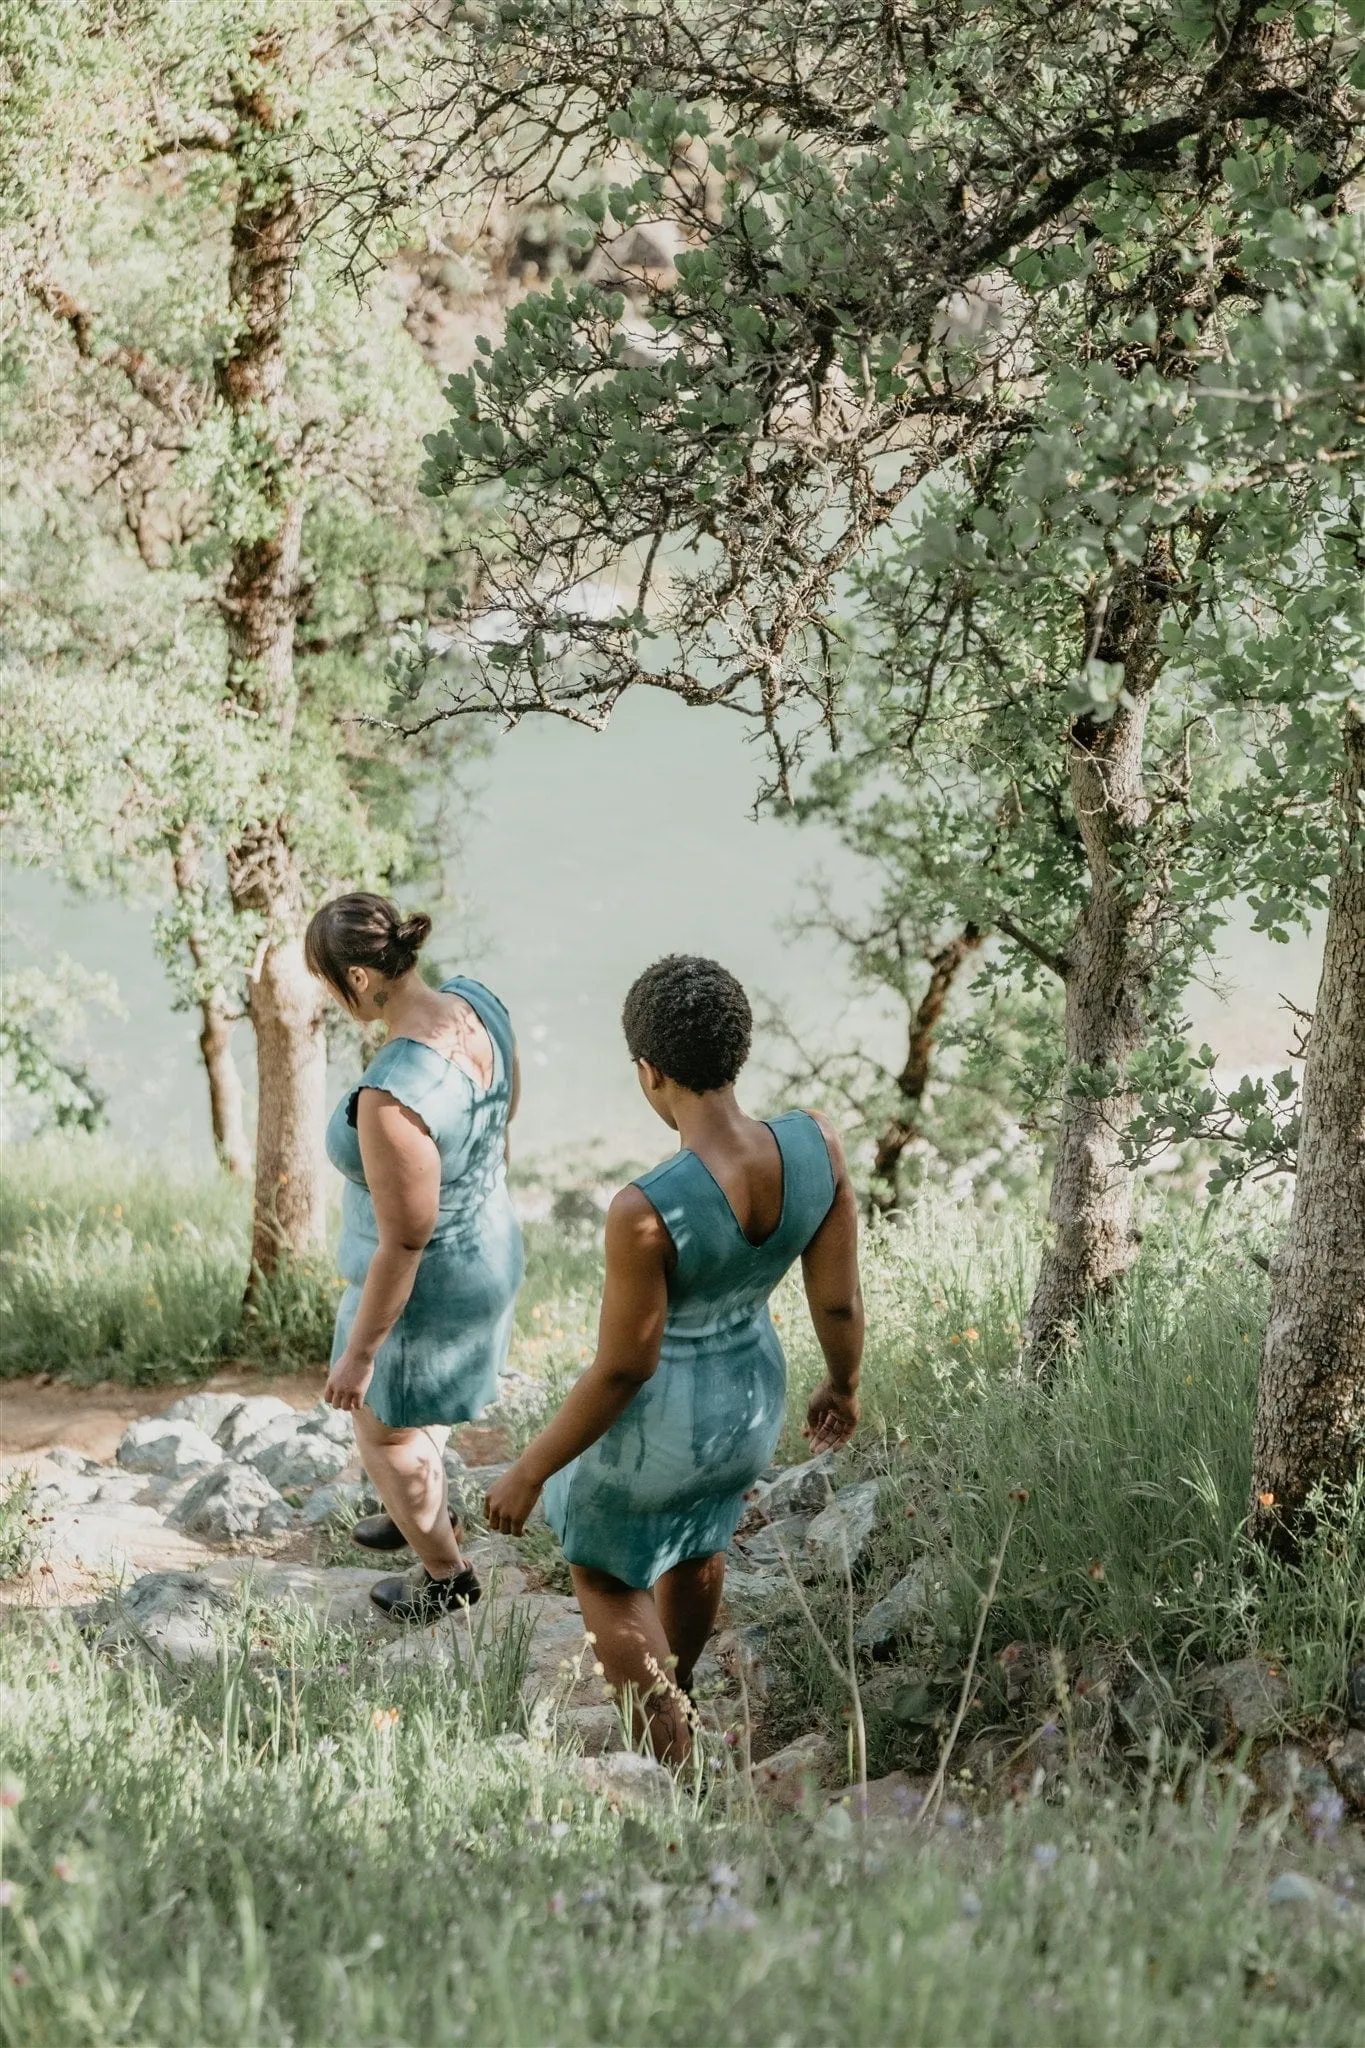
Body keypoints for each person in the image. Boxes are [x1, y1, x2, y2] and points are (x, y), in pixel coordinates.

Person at [485, 954, 863, 1761]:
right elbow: (835, 1300)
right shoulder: (815, 1146)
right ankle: (678, 1692)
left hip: (659, 1429)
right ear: (739, 1048)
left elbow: (624, 1366)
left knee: (607, 1574)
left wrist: (530, 1470)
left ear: (649, 1072)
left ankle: (666, 1745)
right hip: (748, 1409)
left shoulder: (646, 1208)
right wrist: (842, 1382)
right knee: (698, 1541)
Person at [306, 892, 524, 1623]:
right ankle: (415, 1506)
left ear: (360, 981)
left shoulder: (392, 1094)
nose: (333, 999)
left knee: (382, 1426)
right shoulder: (477, 1002)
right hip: (489, 1242)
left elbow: (405, 1241)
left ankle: (445, 1572)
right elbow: (503, 1112)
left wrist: (362, 1355)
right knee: (413, 1418)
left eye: (329, 984)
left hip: (427, 1287)